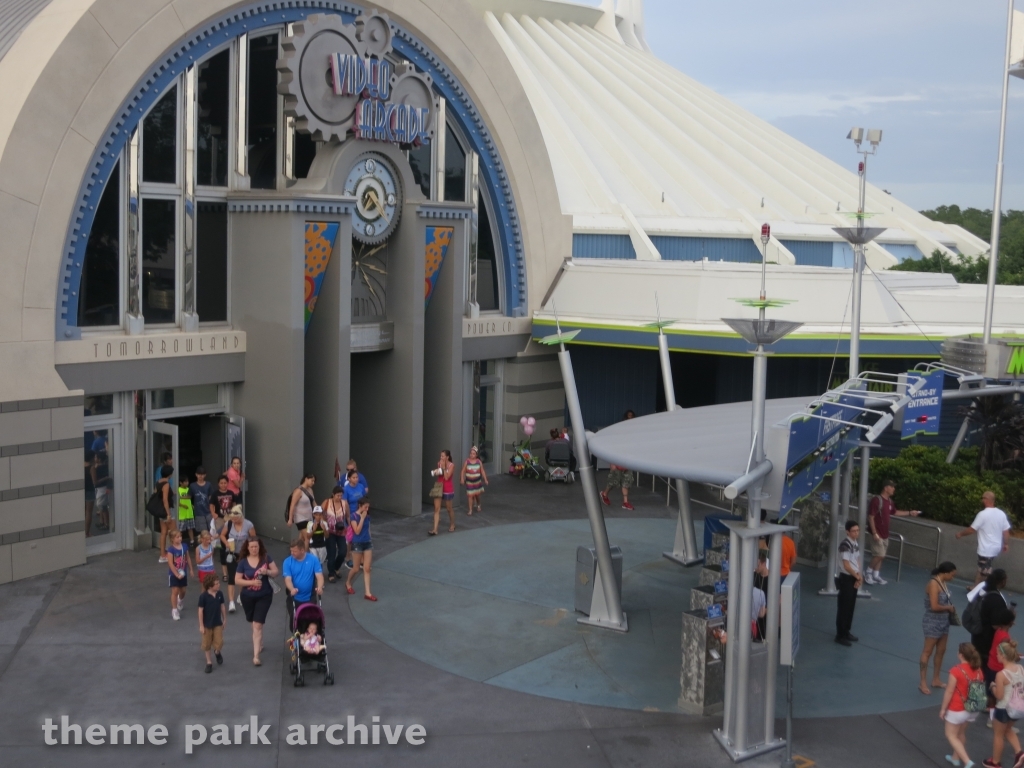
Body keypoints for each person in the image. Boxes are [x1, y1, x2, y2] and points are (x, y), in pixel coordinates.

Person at [867, 479, 922, 585]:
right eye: (892, 487)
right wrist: (874, 532)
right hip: (877, 533)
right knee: (880, 555)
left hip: (885, 533)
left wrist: (910, 513)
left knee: (882, 555)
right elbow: (871, 516)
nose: (894, 489)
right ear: (886, 488)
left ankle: (876, 575)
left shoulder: (890, 502)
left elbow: (895, 512)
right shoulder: (877, 500)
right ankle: (868, 572)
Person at [234, 537, 278, 667]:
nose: (254, 549)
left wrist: (267, 571)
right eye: (252, 547)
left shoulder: (266, 558)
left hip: (264, 595)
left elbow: (276, 572)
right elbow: (237, 580)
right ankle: (259, 641)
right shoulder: (242, 562)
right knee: (253, 622)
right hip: (247, 596)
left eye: (256, 547)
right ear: (247, 547)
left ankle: (256, 656)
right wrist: (251, 582)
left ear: (260, 547)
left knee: (257, 624)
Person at [941, 643, 985, 768]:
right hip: (972, 708)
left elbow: (949, 691)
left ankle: (967, 761)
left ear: (960, 655)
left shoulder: (956, 670)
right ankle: (955, 758)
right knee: (961, 733)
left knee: (951, 735)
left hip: (957, 708)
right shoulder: (978, 670)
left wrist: (943, 709)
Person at [957, 492, 1012, 585]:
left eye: (983, 498)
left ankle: (985, 588)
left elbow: (972, 529)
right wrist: (1006, 543)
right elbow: (1006, 530)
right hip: (995, 547)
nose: (982, 500)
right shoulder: (1001, 514)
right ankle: (975, 587)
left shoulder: (982, 514)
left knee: (985, 570)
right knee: (982, 567)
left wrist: (960, 534)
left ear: (986, 499)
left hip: (986, 548)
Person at [921, 561, 959, 695]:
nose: (952, 578)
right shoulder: (933, 584)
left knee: (941, 650)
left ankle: (936, 679)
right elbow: (934, 606)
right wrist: (948, 608)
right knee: (928, 651)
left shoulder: (943, 583)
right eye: (952, 575)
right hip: (933, 621)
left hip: (944, 621)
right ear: (945, 573)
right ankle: (923, 682)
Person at [969, 570, 1013, 684]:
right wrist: (1008, 620)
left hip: (977, 634)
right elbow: (995, 623)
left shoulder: (983, 591)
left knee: (977, 664)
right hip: (987, 640)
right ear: (1002, 581)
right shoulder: (997, 599)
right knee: (986, 671)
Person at [989, 638, 1024, 768]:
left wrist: (992, 686)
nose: (996, 656)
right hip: (1017, 708)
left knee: (998, 735)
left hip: (1003, 708)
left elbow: (999, 695)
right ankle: (1019, 753)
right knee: (1008, 729)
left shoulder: (1001, 674)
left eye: (997, 654)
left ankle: (995, 762)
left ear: (1003, 655)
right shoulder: (1021, 668)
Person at [219, 506, 255, 614]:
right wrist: (226, 543)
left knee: (242, 576)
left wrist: (249, 547)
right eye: (232, 518)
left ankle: (241, 595)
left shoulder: (248, 524)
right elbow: (222, 535)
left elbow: (254, 538)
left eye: (235, 519)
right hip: (231, 553)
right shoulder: (229, 523)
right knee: (232, 577)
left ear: (240, 516)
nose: (233, 520)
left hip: (243, 554)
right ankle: (231, 602)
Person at [283, 538, 324, 625]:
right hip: (294, 597)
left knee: (310, 621)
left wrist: (320, 587)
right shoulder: (287, 562)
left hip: (309, 597)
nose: (292, 553)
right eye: (291, 551)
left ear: (302, 550)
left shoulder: (313, 559)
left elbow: (319, 576)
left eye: (294, 551)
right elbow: (287, 579)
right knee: (295, 622)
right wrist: (292, 589)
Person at [601, 410, 636, 510]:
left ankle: (625, 502)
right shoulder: (619, 431)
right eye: (629, 416)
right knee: (613, 481)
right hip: (618, 460)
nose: (630, 418)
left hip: (628, 461)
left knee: (627, 482)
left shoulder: (634, 433)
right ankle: (605, 493)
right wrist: (613, 462)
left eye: (632, 416)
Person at [835, 519, 862, 647]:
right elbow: (846, 565)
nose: (856, 533)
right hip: (846, 577)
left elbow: (857, 561)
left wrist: (859, 576)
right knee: (844, 607)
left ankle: (846, 631)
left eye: (858, 530)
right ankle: (840, 634)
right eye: (854, 531)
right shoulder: (845, 545)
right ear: (847, 532)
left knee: (850, 606)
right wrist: (856, 575)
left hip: (853, 576)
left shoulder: (855, 543)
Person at [345, 496, 376, 601]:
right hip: (357, 543)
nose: (367, 509)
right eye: (365, 507)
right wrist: (362, 518)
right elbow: (357, 531)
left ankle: (368, 592)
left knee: (367, 568)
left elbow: (368, 528)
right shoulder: (354, 516)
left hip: (367, 543)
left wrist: (370, 538)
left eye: (368, 507)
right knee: (356, 568)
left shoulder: (368, 516)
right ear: (360, 506)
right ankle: (348, 582)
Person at [210, 475, 239, 583]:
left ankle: (234, 570)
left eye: (225, 483)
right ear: (218, 484)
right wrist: (213, 514)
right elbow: (211, 505)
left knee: (233, 542)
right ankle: (225, 573)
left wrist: (235, 514)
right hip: (220, 519)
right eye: (221, 483)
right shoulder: (215, 494)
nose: (223, 485)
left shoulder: (231, 493)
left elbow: (235, 505)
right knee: (223, 545)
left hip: (230, 519)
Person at [197, 572, 225, 673]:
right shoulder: (203, 596)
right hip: (207, 624)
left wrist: (224, 619)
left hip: (217, 622)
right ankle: (209, 662)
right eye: (216, 584)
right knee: (207, 644)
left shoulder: (220, 594)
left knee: (220, 642)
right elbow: (200, 611)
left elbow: (222, 606)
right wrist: (201, 625)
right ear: (210, 585)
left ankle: (217, 652)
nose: (219, 585)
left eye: (218, 583)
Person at [321, 485, 348, 583]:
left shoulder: (344, 503)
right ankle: (331, 573)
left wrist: (348, 527)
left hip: (341, 531)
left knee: (342, 552)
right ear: (333, 494)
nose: (339, 498)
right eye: (338, 496)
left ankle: (336, 567)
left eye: (341, 496)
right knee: (331, 553)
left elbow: (348, 516)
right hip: (330, 531)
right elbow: (320, 513)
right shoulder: (327, 502)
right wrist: (324, 524)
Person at [166, 530, 193, 621]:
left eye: (180, 536)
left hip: (183, 572)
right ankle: (174, 610)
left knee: (183, 591)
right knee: (175, 590)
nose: (180, 538)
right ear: (172, 539)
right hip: (174, 574)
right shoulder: (171, 550)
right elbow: (170, 563)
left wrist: (191, 569)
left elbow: (188, 558)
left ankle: (180, 600)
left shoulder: (184, 546)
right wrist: (176, 574)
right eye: (177, 537)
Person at [428, 452, 456, 535]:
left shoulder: (451, 465)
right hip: (439, 487)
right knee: (436, 509)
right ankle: (435, 529)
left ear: (447, 457)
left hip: (448, 488)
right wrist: (436, 471)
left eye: (443, 456)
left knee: (448, 508)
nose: (441, 457)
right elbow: (439, 475)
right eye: (440, 456)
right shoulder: (439, 463)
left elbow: (447, 477)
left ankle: (452, 524)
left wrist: (443, 468)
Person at [287, 473, 317, 539]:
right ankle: (306, 549)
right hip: (300, 518)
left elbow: (314, 503)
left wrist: (319, 511)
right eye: (312, 480)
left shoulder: (310, 490)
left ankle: (298, 548)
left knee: (302, 538)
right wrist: (290, 519)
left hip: (309, 517)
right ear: (306, 479)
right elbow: (292, 505)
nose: (313, 483)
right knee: (307, 538)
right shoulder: (298, 491)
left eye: (314, 481)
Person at [461, 445, 489, 515]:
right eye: (471, 453)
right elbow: (463, 471)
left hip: (477, 482)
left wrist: (485, 479)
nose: (472, 455)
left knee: (477, 495)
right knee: (470, 495)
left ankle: (478, 504)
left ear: (476, 455)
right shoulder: (467, 462)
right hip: (469, 482)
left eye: (473, 454)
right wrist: (462, 478)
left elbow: (482, 471)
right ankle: (470, 509)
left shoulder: (478, 462)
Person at [156, 464, 175, 563]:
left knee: (163, 532)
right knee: (173, 531)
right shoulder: (166, 484)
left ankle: (162, 555)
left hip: (160, 511)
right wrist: (168, 514)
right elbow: (165, 499)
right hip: (167, 510)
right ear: (170, 474)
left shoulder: (158, 482)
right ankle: (174, 553)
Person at [189, 467, 214, 542]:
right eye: (199, 474)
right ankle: (204, 544)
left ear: (205, 475)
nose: (200, 476)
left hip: (208, 510)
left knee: (211, 529)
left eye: (202, 474)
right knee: (203, 530)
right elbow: (189, 496)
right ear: (196, 475)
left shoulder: (208, 484)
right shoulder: (192, 485)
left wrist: (212, 508)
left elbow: (211, 497)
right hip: (198, 511)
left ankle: (211, 544)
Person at [306, 507, 329, 572]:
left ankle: (319, 574)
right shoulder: (310, 524)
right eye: (316, 514)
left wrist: (324, 529)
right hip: (313, 546)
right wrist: (313, 530)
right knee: (315, 561)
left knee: (320, 562)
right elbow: (308, 537)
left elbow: (327, 536)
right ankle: (315, 575)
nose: (318, 516)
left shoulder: (324, 523)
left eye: (320, 514)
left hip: (322, 545)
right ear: (313, 515)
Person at [176, 475, 196, 546]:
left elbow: (190, 499)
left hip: (189, 512)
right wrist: (182, 505)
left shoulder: (189, 489)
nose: (187, 483)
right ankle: (178, 541)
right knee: (180, 529)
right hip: (182, 513)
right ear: (180, 483)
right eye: (185, 482)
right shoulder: (178, 489)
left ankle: (192, 541)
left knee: (190, 528)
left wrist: (192, 505)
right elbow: (175, 501)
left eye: (187, 481)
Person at [84, 449, 95, 538]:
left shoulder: (82, 465)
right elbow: (95, 482)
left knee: (83, 511)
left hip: (83, 490)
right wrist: (105, 478)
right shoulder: (91, 467)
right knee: (89, 512)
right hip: (90, 490)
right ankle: (87, 533)